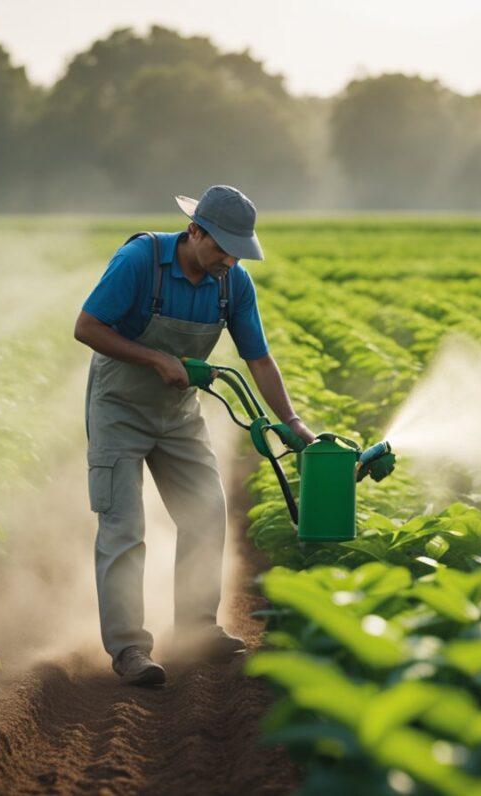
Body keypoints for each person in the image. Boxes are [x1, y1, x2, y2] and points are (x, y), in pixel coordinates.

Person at [74, 185, 315, 687]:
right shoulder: (142, 260)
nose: (229, 258)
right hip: (119, 408)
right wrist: (157, 358)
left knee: (206, 511)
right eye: (221, 247)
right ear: (194, 231)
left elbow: (259, 358)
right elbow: (88, 326)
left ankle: (197, 625)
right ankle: (129, 648)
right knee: (124, 528)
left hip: (179, 414)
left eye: (237, 250)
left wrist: (292, 423)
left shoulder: (233, 284)